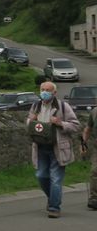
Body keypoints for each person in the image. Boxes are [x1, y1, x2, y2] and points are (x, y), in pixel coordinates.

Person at [27, 81, 79, 218]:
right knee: (41, 176)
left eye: (48, 90)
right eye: (42, 89)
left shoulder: (63, 106)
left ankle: (54, 208)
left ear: (54, 93)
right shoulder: (35, 105)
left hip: (58, 148)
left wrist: (60, 123)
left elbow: (75, 126)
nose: (44, 92)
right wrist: (30, 121)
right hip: (40, 147)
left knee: (55, 179)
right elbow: (29, 124)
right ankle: (53, 198)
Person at [82, 106, 97, 210]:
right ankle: (94, 199)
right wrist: (83, 144)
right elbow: (88, 129)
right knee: (95, 171)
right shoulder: (95, 112)